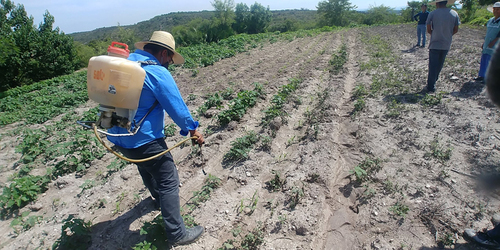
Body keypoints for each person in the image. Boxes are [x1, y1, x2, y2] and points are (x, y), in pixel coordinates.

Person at [107, 31, 205, 246]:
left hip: (117, 135)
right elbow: (177, 107)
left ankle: (157, 199)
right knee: (169, 180)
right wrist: (192, 130)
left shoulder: (122, 64)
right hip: (143, 140)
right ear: (163, 53)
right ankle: (177, 233)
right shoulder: (155, 71)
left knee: (145, 165)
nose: (170, 63)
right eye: (170, 58)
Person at [424, 0, 460, 93]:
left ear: (437, 3)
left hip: (435, 43)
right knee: (440, 64)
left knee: (433, 65)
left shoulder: (433, 13)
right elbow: (456, 29)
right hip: (446, 43)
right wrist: (447, 35)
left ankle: (431, 86)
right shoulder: (454, 13)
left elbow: (428, 29)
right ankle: (433, 82)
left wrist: (435, 34)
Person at [475, 2, 500, 83]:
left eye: (498, 9)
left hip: (495, 45)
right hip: (487, 44)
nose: (496, 11)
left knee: (491, 61)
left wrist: (494, 41)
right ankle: (482, 75)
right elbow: (488, 33)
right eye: (494, 9)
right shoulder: (490, 20)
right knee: (484, 59)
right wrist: (484, 42)